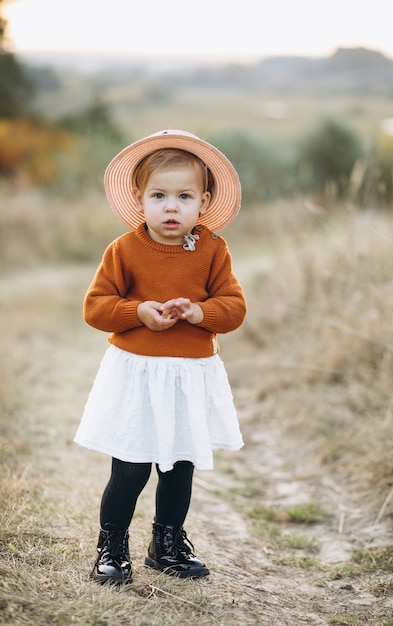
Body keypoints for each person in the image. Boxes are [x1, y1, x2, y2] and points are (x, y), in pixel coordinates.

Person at [74, 129, 246, 585]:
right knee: (130, 467)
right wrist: (137, 312)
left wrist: (200, 311)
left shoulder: (212, 249)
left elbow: (234, 309)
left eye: (184, 196)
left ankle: (166, 543)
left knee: (179, 466)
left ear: (204, 201)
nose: (172, 206)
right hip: (137, 374)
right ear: (140, 198)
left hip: (189, 374)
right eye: (160, 195)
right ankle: (111, 547)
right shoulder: (125, 250)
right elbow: (95, 307)